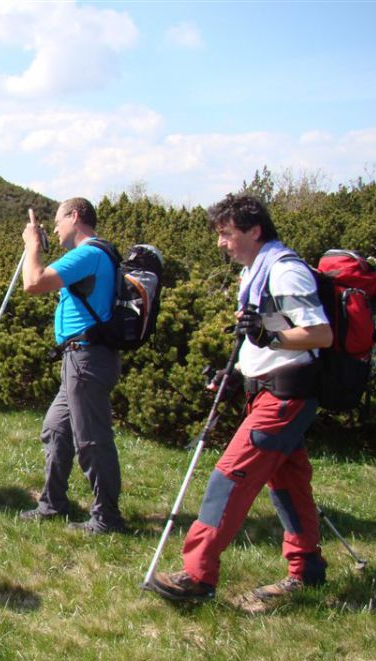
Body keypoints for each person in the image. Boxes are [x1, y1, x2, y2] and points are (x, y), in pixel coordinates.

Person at [150, 193, 332, 603]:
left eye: (227, 234)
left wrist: (269, 336)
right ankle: (307, 569)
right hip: (271, 391)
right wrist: (237, 373)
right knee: (289, 484)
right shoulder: (259, 271)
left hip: (285, 398)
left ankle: (198, 576)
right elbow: (274, 334)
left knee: (228, 479)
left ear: (254, 231)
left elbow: (320, 334)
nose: (221, 243)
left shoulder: (285, 272)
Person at [19, 198, 126, 534]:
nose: (54, 227)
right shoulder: (95, 254)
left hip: (87, 358)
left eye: (58, 220)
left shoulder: (89, 253)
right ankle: (53, 504)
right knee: (56, 429)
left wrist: (32, 245)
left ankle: (107, 518)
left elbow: (33, 282)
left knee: (92, 439)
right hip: (79, 359)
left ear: (75, 216)